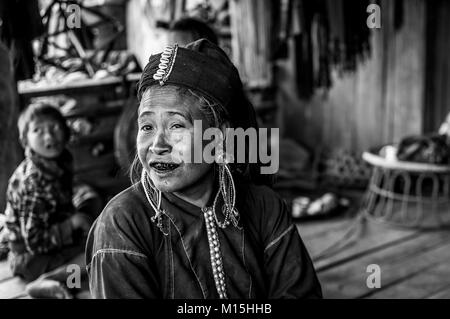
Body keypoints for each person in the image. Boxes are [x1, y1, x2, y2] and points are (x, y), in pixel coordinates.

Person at [86, 39, 322, 299]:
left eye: (176, 126)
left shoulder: (265, 208)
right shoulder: (123, 223)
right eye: (147, 127)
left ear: (218, 138)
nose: (158, 145)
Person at [3, 103, 97, 298]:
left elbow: (62, 203)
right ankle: (52, 282)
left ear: (66, 132)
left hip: (54, 237)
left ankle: (69, 284)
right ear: (25, 140)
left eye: (55, 128)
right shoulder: (33, 183)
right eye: (38, 130)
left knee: (93, 213)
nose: (49, 136)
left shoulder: (60, 161)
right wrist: (72, 224)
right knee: (92, 253)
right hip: (29, 257)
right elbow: (34, 242)